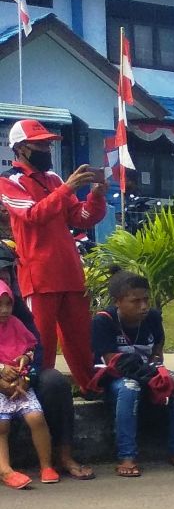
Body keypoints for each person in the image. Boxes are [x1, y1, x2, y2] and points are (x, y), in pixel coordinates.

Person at [0, 119, 106, 388]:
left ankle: (90, 386)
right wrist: (67, 188)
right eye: (41, 144)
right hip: (39, 277)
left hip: (70, 272)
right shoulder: (10, 182)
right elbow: (33, 215)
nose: (47, 149)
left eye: (48, 144)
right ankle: (37, 392)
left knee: (81, 338)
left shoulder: (54, 180)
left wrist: (96, 196)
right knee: (41, 341)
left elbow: (81, 218)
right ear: (22, 148)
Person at [0, 246, 92, 480]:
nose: (4, 280)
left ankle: (63, 455)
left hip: (18, 376)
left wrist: (24, 376)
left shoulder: (12, 306)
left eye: (6, 273)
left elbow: (35, 347)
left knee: (54, 381)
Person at [91, 272, 174, 477]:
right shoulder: (103, 321)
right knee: (130, 387)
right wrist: (151, 374)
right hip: (116, 377)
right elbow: (114, 361)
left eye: (146, 299)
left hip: (148, 372)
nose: (144, 306)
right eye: (135, 301)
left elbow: (157, 351)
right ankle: (126, 456)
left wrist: (158, 369)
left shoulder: (153, 317)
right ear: (117, 302)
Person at [0, 278, 55, 488]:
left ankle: (47, 465)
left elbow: (30, 347)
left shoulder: (16, 324)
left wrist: (25, 361)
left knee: (36, 417)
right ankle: (5, 470)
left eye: (9, 304)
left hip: (21, 381)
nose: (5, 310)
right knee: (1, 425)